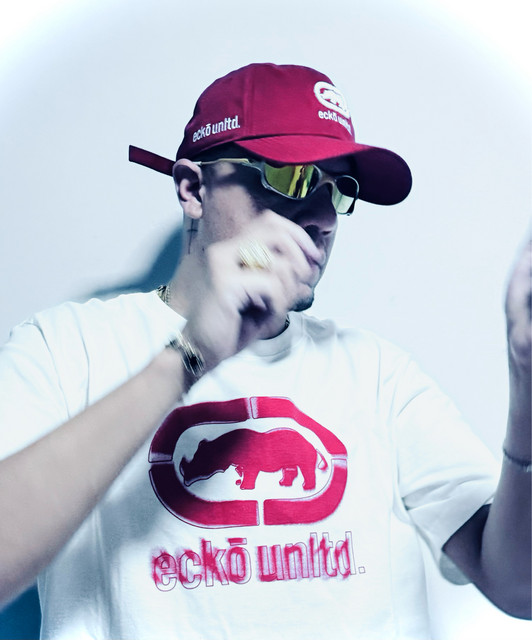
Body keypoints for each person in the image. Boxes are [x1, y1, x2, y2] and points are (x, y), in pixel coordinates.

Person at [0, 62, 530, 639]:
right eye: (291, 177)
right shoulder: (67, 349)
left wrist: (526, 378)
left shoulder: (377, 374)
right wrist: (189, 355)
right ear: (194, 189)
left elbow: (520, 587)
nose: (323, 217)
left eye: (338, 188)